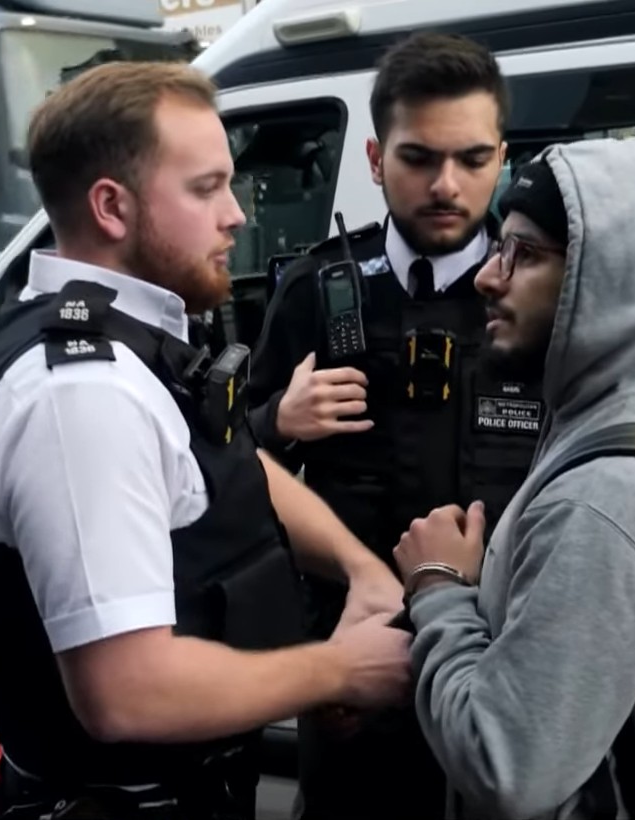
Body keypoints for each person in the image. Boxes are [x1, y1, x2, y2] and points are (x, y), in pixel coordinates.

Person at [0, 61, 413, 820]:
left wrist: (361, 568)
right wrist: (338, 670)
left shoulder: (129, 342)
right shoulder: (82, 397)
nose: (235, 215)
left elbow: (222, 457)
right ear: (111, 207)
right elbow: (126, 693)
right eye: (205, 189)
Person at [394, 137, 635, 820]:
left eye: (524, 254)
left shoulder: (609, 505)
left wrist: (437, 588)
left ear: (609, 277)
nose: (487, 277)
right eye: (498, 247)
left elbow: (506, 766)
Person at [243, 31, 539, 819]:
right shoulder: (318, 290)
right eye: (419, 158)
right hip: (356, 654)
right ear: (375, 159)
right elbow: (226, 460)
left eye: (473, 159)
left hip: (507, 654)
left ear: (501, 158)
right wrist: (279, 417)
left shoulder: (538, 293)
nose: (446, 184)